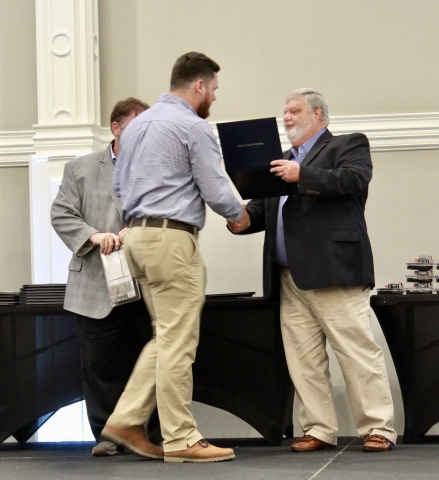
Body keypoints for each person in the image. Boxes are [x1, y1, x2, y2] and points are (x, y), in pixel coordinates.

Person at [228, 88, 397, 453]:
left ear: (318, 114)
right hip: (289, 277)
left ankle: (378, 427)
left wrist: (301, 175)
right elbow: (265, 209)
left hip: (334, 271)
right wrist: (243, 219)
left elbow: (352, 180)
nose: (286, 117)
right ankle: (319, 428)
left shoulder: (348, 145)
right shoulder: (281, 161)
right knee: (303, 359)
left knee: (356, 353)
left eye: (294, 110)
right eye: (285, 111)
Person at [101, 52, 248, 463]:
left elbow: (118, 185)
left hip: (137, 238)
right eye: (213, 89)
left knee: (166, 336)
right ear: (199, 85)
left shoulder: (136, 126)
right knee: (179, 342)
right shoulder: (192, 126)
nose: (214, 97)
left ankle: (126, 420)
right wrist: (238, 214)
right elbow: (215, 187)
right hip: (171, 240)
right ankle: (181, 437)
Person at [51, 97, 152, 457]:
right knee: (98, 365)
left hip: (145, 282)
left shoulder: (157, 168)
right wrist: (94, 236)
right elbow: (62, 214)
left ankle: (152, 434)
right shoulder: (79, 168)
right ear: (116, 128)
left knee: (151, 361)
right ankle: (108, 436)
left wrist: (137, 231)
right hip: (95, 283)